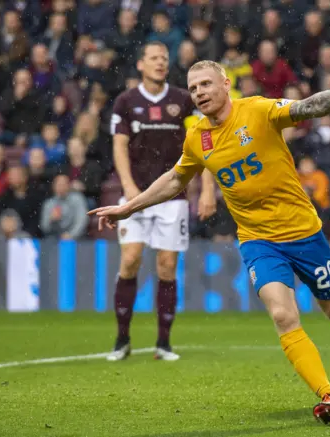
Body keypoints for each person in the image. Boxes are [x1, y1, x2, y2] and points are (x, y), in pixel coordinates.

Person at [90, 59, 330, 425]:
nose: (199, 93)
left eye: (206, 85)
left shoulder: (257, 110)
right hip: (258, 240)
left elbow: (307, 107)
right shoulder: (197, 137)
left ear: (226, 85)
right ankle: (329, 396)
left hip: (304, 232)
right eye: (193, 88)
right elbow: (175, 179)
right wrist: (130, 207)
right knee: (282, 313)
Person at [107, 41, 217, 362]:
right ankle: (122, 338)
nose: (160, 63)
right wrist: (129, 191)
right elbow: (119, 147)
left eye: (164, 59)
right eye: (154, 58)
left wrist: (207, 188)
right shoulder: (126, 102)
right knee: (130, 260)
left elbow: (204, 142)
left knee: (167, 266)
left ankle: (163, 343)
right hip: (136, 194)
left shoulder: (183, 99)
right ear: (140, 64)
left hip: (173, 195)